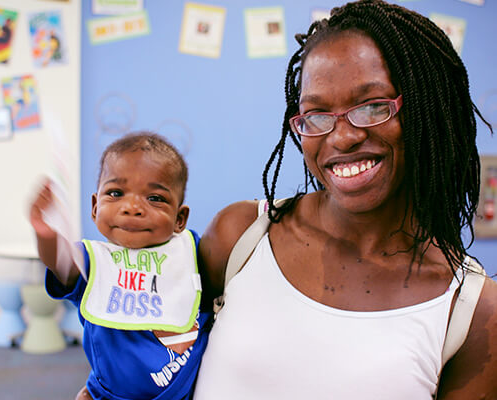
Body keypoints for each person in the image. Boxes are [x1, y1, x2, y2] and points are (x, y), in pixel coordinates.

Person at [193, 1, 497, 399]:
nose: (342, 137)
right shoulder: (241, 239)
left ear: (428, 110)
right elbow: (155, 363)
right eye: (316, 114)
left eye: (372, 107)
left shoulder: (471, 310)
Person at [29, 132, 212, 400]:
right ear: (95, 207)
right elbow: (63, 263)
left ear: (180, 218)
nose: (133, 207)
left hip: (186, 391)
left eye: (155, 198)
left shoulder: (190, 252)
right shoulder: (95, 261)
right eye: (116, 193)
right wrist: (45, 233)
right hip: (111, 395)